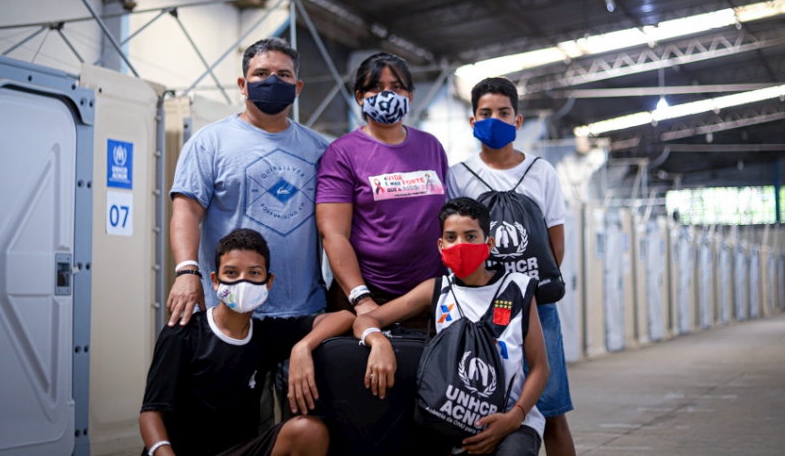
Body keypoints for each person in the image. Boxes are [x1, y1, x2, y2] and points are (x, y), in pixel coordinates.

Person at [353, 197, 548, 455]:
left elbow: (540, 367)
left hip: (512, 423)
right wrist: (377, 341)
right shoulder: (436, 290)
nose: (460, 245)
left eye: (470, 236)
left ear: (488, 243)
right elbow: (367, 319)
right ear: (440, 245)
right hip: (450, 422)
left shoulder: (518, 289)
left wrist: (515, 417)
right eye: (451, 237)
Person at [447, 77, 576, 456]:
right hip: (477, 309)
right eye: (485, 113)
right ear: (472, 122)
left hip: (537, 308)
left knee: (552, 411)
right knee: (473, 403)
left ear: (518, 121)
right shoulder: (457, 175)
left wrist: (527, 295)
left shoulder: (542, 172)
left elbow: (556, 245)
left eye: (504, 113)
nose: (495, 120)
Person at [139, 228, 354, 456]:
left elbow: (344, 317)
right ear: (215, 280)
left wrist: (303, 346)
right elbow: (151, 414)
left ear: (268, 282)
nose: (243, 282)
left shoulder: (265, 334)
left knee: (311, 431)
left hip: (238, 450)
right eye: (231, 273)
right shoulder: (183, 333)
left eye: (254, 273)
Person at [168, 37, 328, 324]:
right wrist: (186, 272)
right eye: (261, 74)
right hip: (229, 309)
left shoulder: (319, 149)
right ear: (243, 85)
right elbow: (186, 212)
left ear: (297, 87)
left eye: (283, 75)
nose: (273, 81)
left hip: (305, 312)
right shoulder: (210, 142)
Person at [316, 52, 448, 321]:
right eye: (376, 87)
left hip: (427, 295)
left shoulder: (430, 146)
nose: (386, 94)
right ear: (360, 97)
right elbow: (333, 234)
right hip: (370, 296)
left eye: (396, 87)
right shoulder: (342, 153)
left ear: (410, 96)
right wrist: (361, 298)